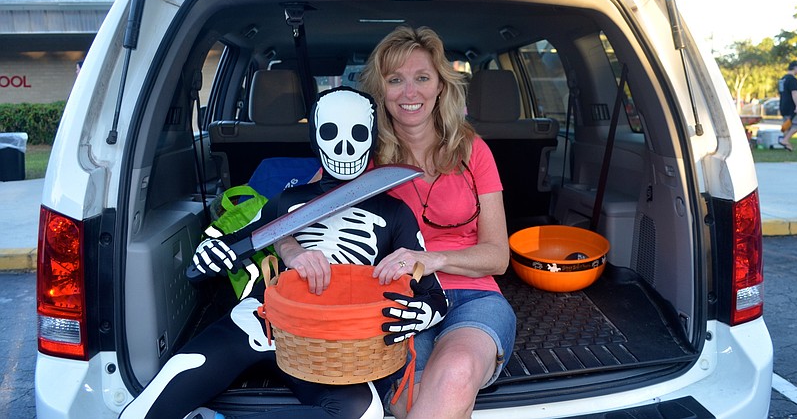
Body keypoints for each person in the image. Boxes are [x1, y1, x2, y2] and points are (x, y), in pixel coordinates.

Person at [119, 87, 447, 419]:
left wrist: (421, 314)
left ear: (372, 139)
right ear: (315, 138)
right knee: (169, 385)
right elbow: (228, 242)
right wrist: (210, 252)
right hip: (262, 318)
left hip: (333, 342)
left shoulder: (395, 211)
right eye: (330, 133)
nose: (344, 147)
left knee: (365, 412)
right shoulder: (286, 202)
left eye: (357, 134)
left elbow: (435, 296)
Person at [360, 26, 517, 419]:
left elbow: (498, 256)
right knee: (414, 400)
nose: (409, 93)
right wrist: (292, 251)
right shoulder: (360, 157)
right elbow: (294, 216)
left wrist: (433, 259)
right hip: (395, 302)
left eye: (422, 78)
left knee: (455, 373)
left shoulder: (473, 150)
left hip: (473, 297)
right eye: (395, 80)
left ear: (441, 87)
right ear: (381, 91)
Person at [778, 61, 797, 151]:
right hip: (791, 106)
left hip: (783, 105)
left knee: (787, 125)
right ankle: (785, 140)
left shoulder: (782, 79)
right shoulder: (792, 80)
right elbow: (794, 93)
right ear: (795, 68)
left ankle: (787, 145)